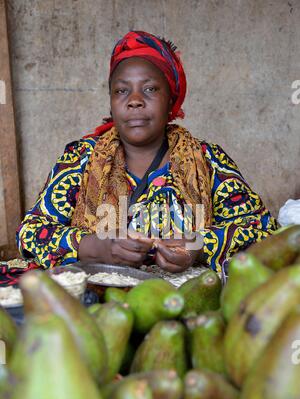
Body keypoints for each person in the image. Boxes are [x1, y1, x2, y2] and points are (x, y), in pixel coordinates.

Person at [16, 31, 277, 274]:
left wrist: (199, 246)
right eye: (121, 90)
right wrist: (96, 248)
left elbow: (262, 229)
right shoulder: (81, 159)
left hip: (190, 304)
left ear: (171, 99)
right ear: (111, 100)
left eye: (150, 89)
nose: (135, 99)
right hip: (99, 306)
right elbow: (30, 233)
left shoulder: (208, 160)